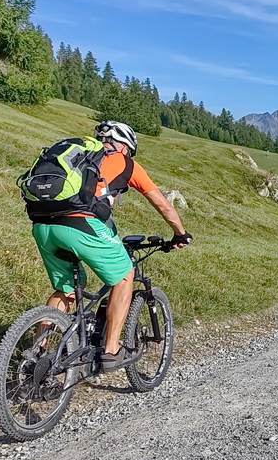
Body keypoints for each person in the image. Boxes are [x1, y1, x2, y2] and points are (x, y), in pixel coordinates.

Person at [30, 121, 192, 371]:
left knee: (66, 289)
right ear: (125, 147)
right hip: (79, 225)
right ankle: (111, 350)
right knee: (124, 275)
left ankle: (36, 353)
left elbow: (101, 212)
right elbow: (163, 204)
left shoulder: (80, 158)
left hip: (43, 225)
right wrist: (180, 234)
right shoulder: (127, 163)